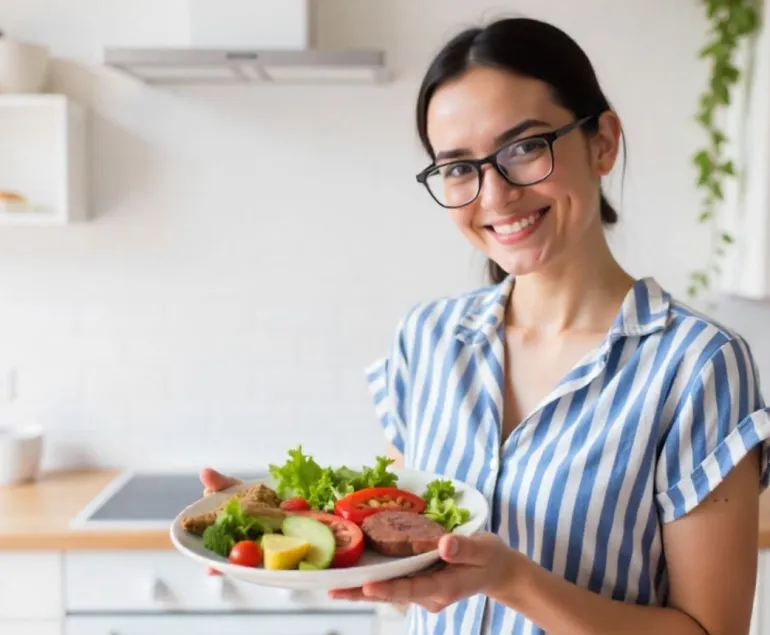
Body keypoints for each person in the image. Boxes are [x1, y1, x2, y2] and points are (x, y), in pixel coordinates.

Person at [201, 16, 770, 635]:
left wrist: (512, 580)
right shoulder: (427, 341)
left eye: (525, 147)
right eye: (458, 168)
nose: (494, 196)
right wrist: (284, 523)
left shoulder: (697, 365)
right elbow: (392, 535)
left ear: (602, 142)